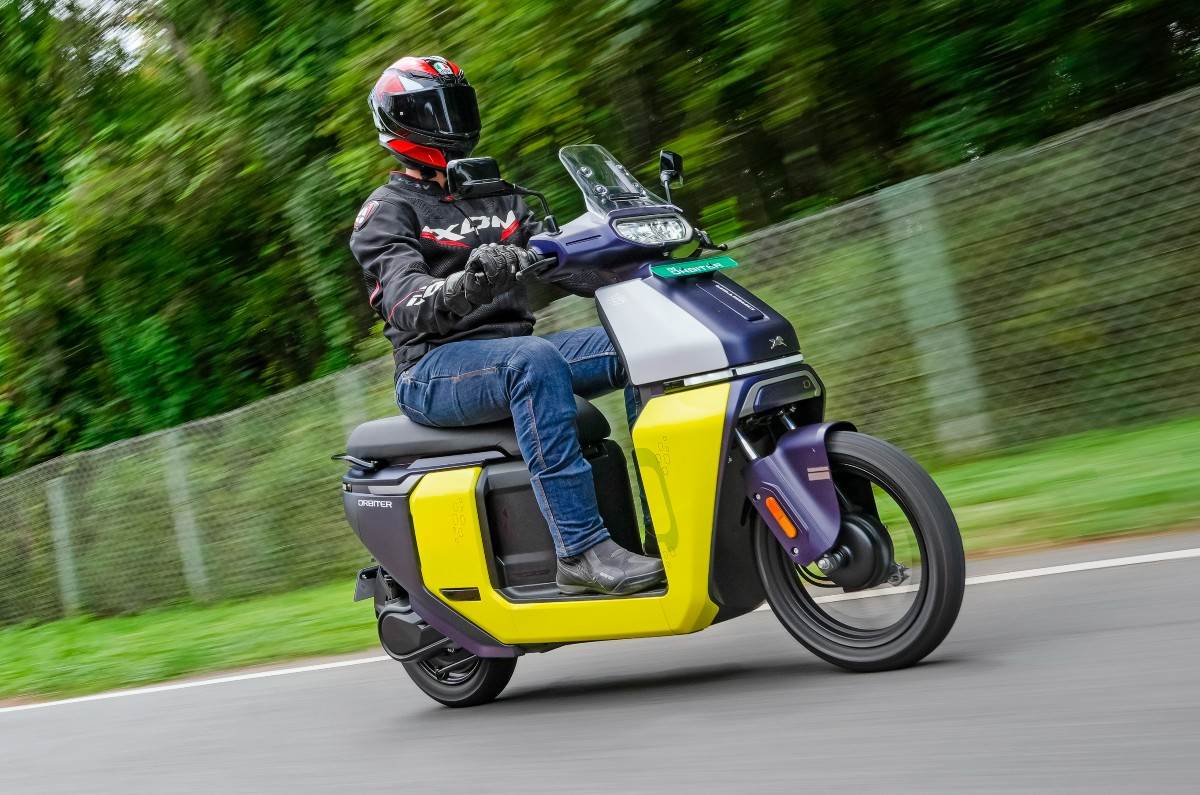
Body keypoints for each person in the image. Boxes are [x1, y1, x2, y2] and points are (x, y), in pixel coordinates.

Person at [348, 55, 664, 596]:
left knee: (650, 343)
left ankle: (667, 526)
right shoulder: (387, 210)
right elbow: (407, 302)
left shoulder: (496, 192)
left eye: (456, 105)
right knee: (534, 361)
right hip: (432, 368)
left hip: (509, 353)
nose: (450, 119)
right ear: (401, 121)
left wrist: (638, 244)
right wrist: (470, 282)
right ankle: (581, 550)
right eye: (434, 108)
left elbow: (571, 265)